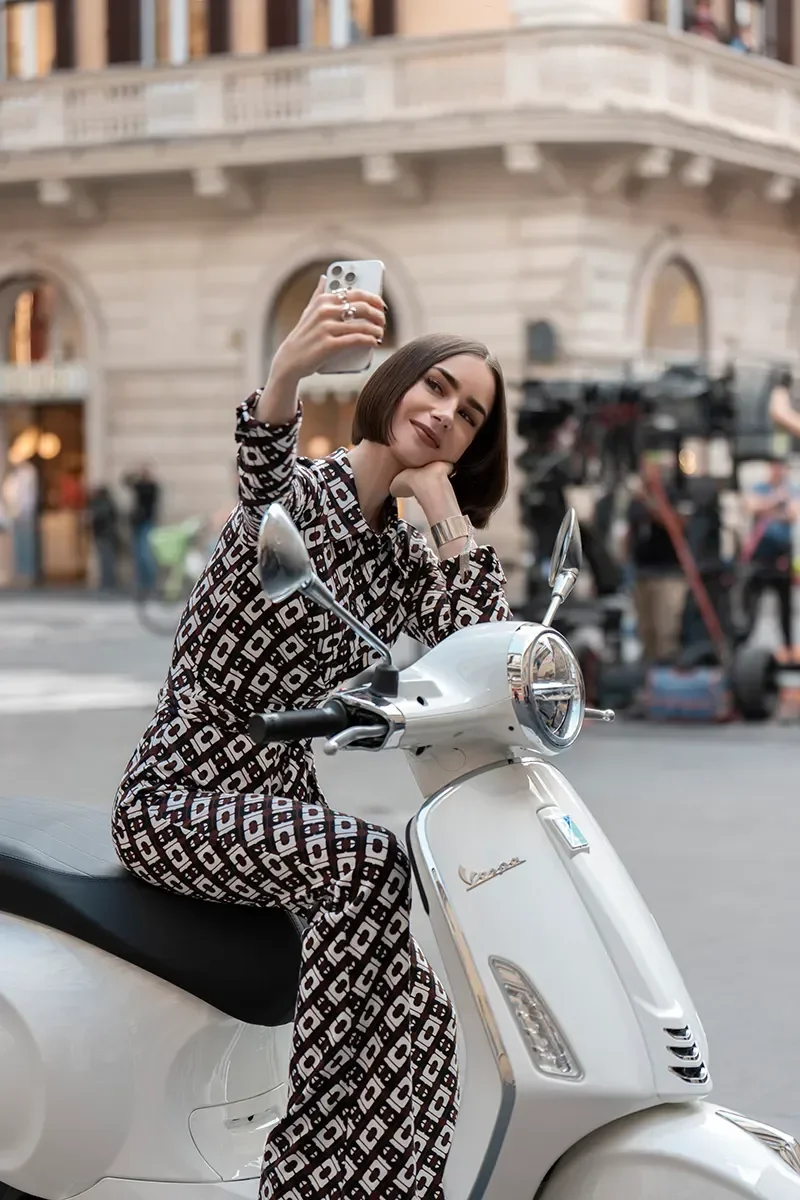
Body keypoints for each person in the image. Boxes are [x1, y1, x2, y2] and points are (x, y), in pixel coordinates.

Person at [111, 277, 510, 1200]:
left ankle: (395, 1186)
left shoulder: (401, 552)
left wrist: (441, 507)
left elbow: (484, 651)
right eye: (436, 386)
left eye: (469, 415)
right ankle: (307, 1172)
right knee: (371, 864)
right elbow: (262, 469)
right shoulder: (297, 495)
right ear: (397, 383)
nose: (445, 413)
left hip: (282, 805)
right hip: (181, 795)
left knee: (424, 1013)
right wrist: (292, 364)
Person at [626, 455, 688, 664]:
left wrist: (650, 503)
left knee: (667, 630)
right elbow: (630, 532)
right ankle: (649, 672)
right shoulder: (635, 500)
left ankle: (667, 671)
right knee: (646, 631)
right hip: (643, 572)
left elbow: (676, 524)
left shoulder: (671, 495)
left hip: (668, 573)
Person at [744, 459, 799, 661]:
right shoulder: (760, 488)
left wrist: (769, 507)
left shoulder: (791, 489)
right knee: (753, 603)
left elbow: (792, 513)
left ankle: (788, 647)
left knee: (785, 606)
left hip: (782, 555)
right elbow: (752, 506)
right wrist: (776, 501)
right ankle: (745, 645)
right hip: (761, 556)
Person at [123, 464, 160, 594]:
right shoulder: (140, 486)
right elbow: (126, 481)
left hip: (146, 523)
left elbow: (145, 492)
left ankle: (151, 584)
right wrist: (134, 474)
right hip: (137, 524)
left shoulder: (150, 487)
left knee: (146, 555)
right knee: (138, 556)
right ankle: (141, 584)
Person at [86, 484, 120, 591]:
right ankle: (107, 582)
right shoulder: (107, 503)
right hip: (106, 535)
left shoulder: (101, 504)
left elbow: (99, 517)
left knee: (106, 559)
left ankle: (107, 582)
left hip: (104, 535)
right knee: (106, 559)